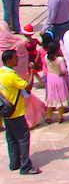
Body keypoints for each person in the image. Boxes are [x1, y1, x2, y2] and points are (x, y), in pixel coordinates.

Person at [1, 47, 40, 175]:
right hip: (16, 113)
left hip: (5, 113)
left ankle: (14, 163)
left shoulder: (1, 73)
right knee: (23, 139)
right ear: (8, 61)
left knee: (11, 139)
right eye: (14, 58)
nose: (17, 59)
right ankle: (26, 167)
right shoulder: (11, 76)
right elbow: (27, 86)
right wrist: (32, 71)